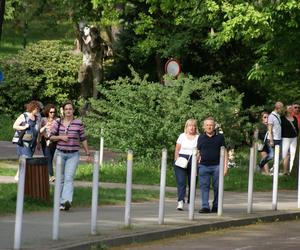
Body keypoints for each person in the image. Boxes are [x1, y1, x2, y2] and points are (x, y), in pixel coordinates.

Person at [50, 100, 91, 211]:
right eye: (66, 109)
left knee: (69, 178)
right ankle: (58, 202)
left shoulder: (78, 123)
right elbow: (50, 137)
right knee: (60, 179)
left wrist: (88, 153)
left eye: (70, 109)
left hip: (73, 154)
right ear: (63, 111)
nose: (68, 111)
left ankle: (65, 202)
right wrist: (60, 137)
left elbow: (83, 138)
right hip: (60, 153)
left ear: (73, 110)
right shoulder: (57, 122)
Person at [197, 117, 228, 213]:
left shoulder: (220, 137)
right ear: (204, 127)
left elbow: (225, 152)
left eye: (211, 125)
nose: (209, 127)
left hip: (217, 166)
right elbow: (198, 152)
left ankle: (216, 206)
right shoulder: (201, 137)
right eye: (207, 125)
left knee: (217, 187)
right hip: (203, 166)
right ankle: (205, 206)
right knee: (204, 186)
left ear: (214, 126)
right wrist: (195, 167)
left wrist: (225, 167)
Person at [174, 119, 199, 211]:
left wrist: (197, 163)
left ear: (196, 127)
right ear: (186, 127)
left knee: (192, 182)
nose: (192, 127)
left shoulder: (198, 137)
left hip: (193, 158)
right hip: (181, 159)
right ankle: (180, 201)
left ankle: (190, 201)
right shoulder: (182, 136)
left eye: (193, 126)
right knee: (181, 182)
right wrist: (176, 159)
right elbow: (177, 149)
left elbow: (199, 151)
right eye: (190, 126)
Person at [12, 101, 41, 181]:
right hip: (24, 142)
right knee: (26, 159)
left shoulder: (37, 118)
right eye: (36, 108)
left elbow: (38, 131)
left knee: (26, 160)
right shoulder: (24, 116)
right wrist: (24, 127)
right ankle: (24, 178)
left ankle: (18, 176)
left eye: (38, 108)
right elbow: (14, 126)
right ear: (32, 108)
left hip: (33, 143)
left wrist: (38, 143)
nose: (38, 110)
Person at [40, 104, 58, 182]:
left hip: (54, 142)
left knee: (50, 159)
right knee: (48, 158)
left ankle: (46, 174)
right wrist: (38, 142)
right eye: (51, 112)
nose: (52, 114)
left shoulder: (57, 120)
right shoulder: (43, 120)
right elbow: (40, 131)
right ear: (47, 112)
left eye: (54, 112)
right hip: (45, 141)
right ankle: (51, 176)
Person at [281, 105, 298, 175]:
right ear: (286, 110)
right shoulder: (282, 118)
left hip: (294, 138)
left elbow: (297, 128)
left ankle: (291, 171)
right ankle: (285, 171)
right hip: (285, 138)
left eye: (291, 108)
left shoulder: (294, 118)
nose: (291, 109)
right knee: (285, 154)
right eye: (289, 108)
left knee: (293, 154)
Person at [267, 101, 284, 172]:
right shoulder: (271, 116)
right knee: (271, 155)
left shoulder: (278, 115)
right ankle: (261, 165)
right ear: (278, 108)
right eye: (281, 108)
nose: (282, 110)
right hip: (273, 139)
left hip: (279, 138)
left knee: (279, 156)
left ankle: (274, 169)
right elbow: (269, 129)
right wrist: (271, 140)